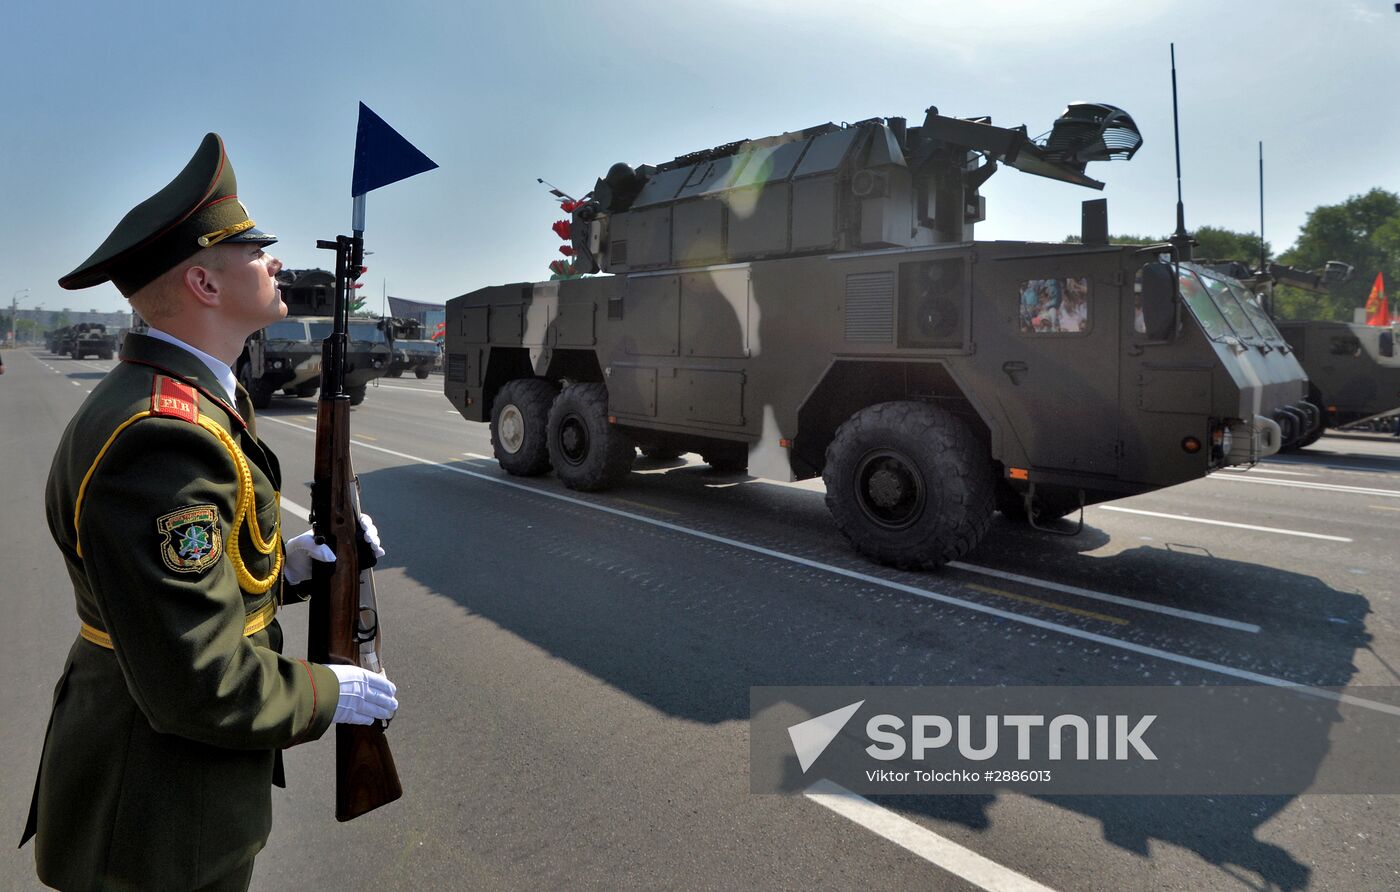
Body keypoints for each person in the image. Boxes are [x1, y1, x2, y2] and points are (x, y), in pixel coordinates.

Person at [22, 133, 399, 891]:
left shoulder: (194, 400)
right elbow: (199, 681)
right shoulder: (160, 436)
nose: (271, 257)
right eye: (252, 247)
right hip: (156, 822)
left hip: (175, 804)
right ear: (203, 283)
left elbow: (180, 587)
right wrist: (331, 690)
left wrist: (287, 569)